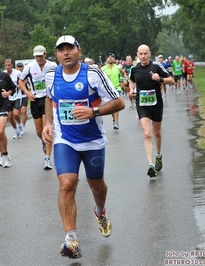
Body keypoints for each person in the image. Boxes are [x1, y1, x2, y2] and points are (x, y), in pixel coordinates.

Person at [42, 35, 125, 259]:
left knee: (96, 185)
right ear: (56, 54)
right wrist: (48, 123)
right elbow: (49, 99)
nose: (66, 52)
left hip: (93, 140)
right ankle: (71, 239)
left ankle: (100, 212)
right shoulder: (51, 75)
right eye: (61, 49)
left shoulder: (93, 74)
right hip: (65, 139)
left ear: (79, 50)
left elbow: (119, 102)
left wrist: (93, 111)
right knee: (67, 184)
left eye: (70, 48)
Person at [129, 44, 175, 178]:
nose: (143, 56)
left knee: (157, 132)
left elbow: (171, 80)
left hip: (156, 104)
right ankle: (150, 164)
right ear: (137, 55)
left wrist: (160, 79)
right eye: (140, 54)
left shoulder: (156, 67)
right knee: (147, 134)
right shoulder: (134, 68)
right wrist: (131, 89)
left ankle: (158, 155)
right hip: (142, 104)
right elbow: (131, 81)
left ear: (150, 54)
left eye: (145, 54)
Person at [18, 45, 57, 170]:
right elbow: (20, 81)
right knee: (39, 131)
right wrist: (27, 93)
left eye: (41, 55)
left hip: (48, 99)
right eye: (37, 56)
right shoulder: (29, 67)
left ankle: (47, 159)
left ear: (45, 54)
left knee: (47, 128)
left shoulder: (52, 66)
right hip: (35, 100)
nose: (39, 58)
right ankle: (44, 141)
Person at [102, 52, 123, 129]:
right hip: (107, 90)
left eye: (112, 57)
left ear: (114, 59)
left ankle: (116, 122)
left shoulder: (118, 67)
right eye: (108, 57)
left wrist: (123, 81)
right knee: (111, 107)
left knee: (116, 105)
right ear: (106, 59)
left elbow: (122, 75)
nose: (110, 58)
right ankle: (114, 119)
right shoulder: (103, 69)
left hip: (117, 88)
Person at [4, 58, 23, 139]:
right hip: (8, 98)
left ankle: (20, 124)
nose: (7, 67)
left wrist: (20, 85)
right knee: (10, 116)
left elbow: (23, 80)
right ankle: (16, 130)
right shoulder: (3, 74)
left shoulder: (18, 73)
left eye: (9, 65)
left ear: (12, 65)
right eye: (6, 65)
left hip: (17, 96)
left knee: (16, 113)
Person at [15, 62, 29, 132]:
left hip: (24, 94)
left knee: (23, 110)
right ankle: (20, 124)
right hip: (17, 96)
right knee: (17, 112)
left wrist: (21, 84)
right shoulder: (15, 75)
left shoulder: (25, 74)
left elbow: (25, 82)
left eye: (21, 67)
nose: (19, 68)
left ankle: (23, 126)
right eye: (18, 67)